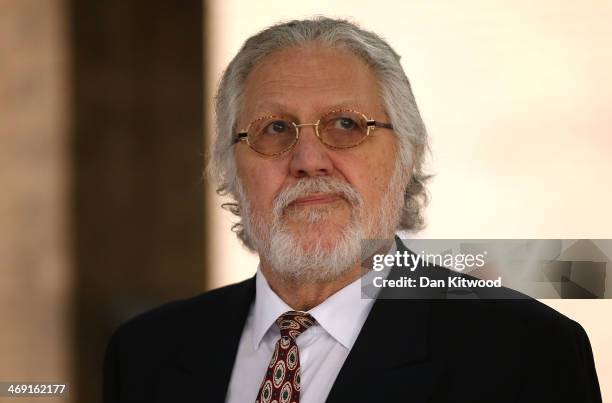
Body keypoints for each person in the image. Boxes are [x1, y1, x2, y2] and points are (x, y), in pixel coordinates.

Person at [103, 17, 602, 403]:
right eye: (274, 129)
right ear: (228, 166)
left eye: (346, 124)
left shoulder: (526, 353)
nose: (308, 161)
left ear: (406, 153)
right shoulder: (146, 353)